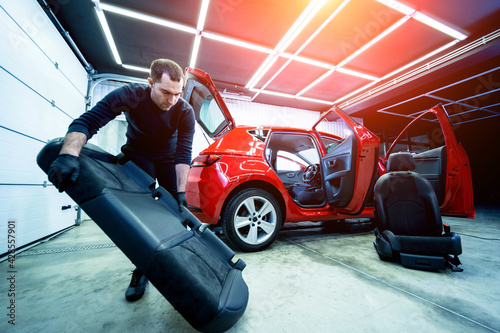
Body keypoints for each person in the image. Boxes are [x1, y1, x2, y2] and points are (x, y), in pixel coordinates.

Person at [48, 58, 196, 302]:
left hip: (169, 159)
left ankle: (183, 265)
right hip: (138, 154)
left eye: (177, 94)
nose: (171, 100)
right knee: (142, 219)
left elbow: (183, 153)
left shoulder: (184, 110)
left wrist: (180, 192)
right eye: (166, 92)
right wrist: (68, 155)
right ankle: (142, 269)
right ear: (150, 83)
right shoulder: (131, 95)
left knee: (176, 214)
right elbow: (88, 121)